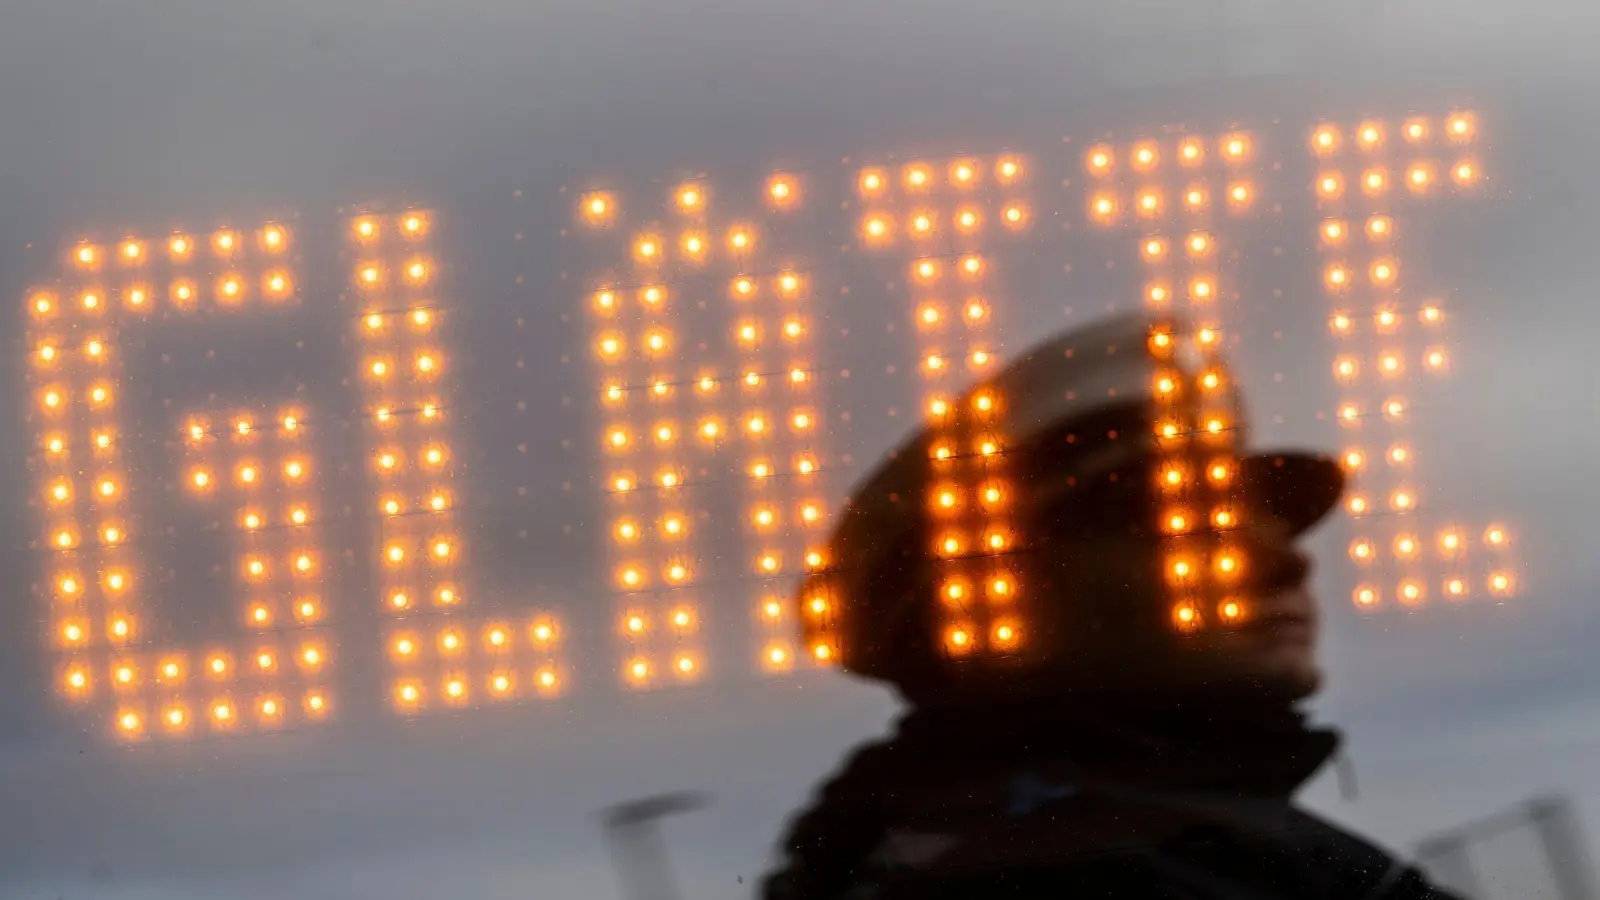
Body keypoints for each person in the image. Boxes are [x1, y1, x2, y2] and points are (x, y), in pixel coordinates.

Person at [761, 313, 1465, 899]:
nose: (1288, 560)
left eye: (1268, 525)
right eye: (1192, 527)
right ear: (1009, 603)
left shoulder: (1209, 847)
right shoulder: (1087, 875)